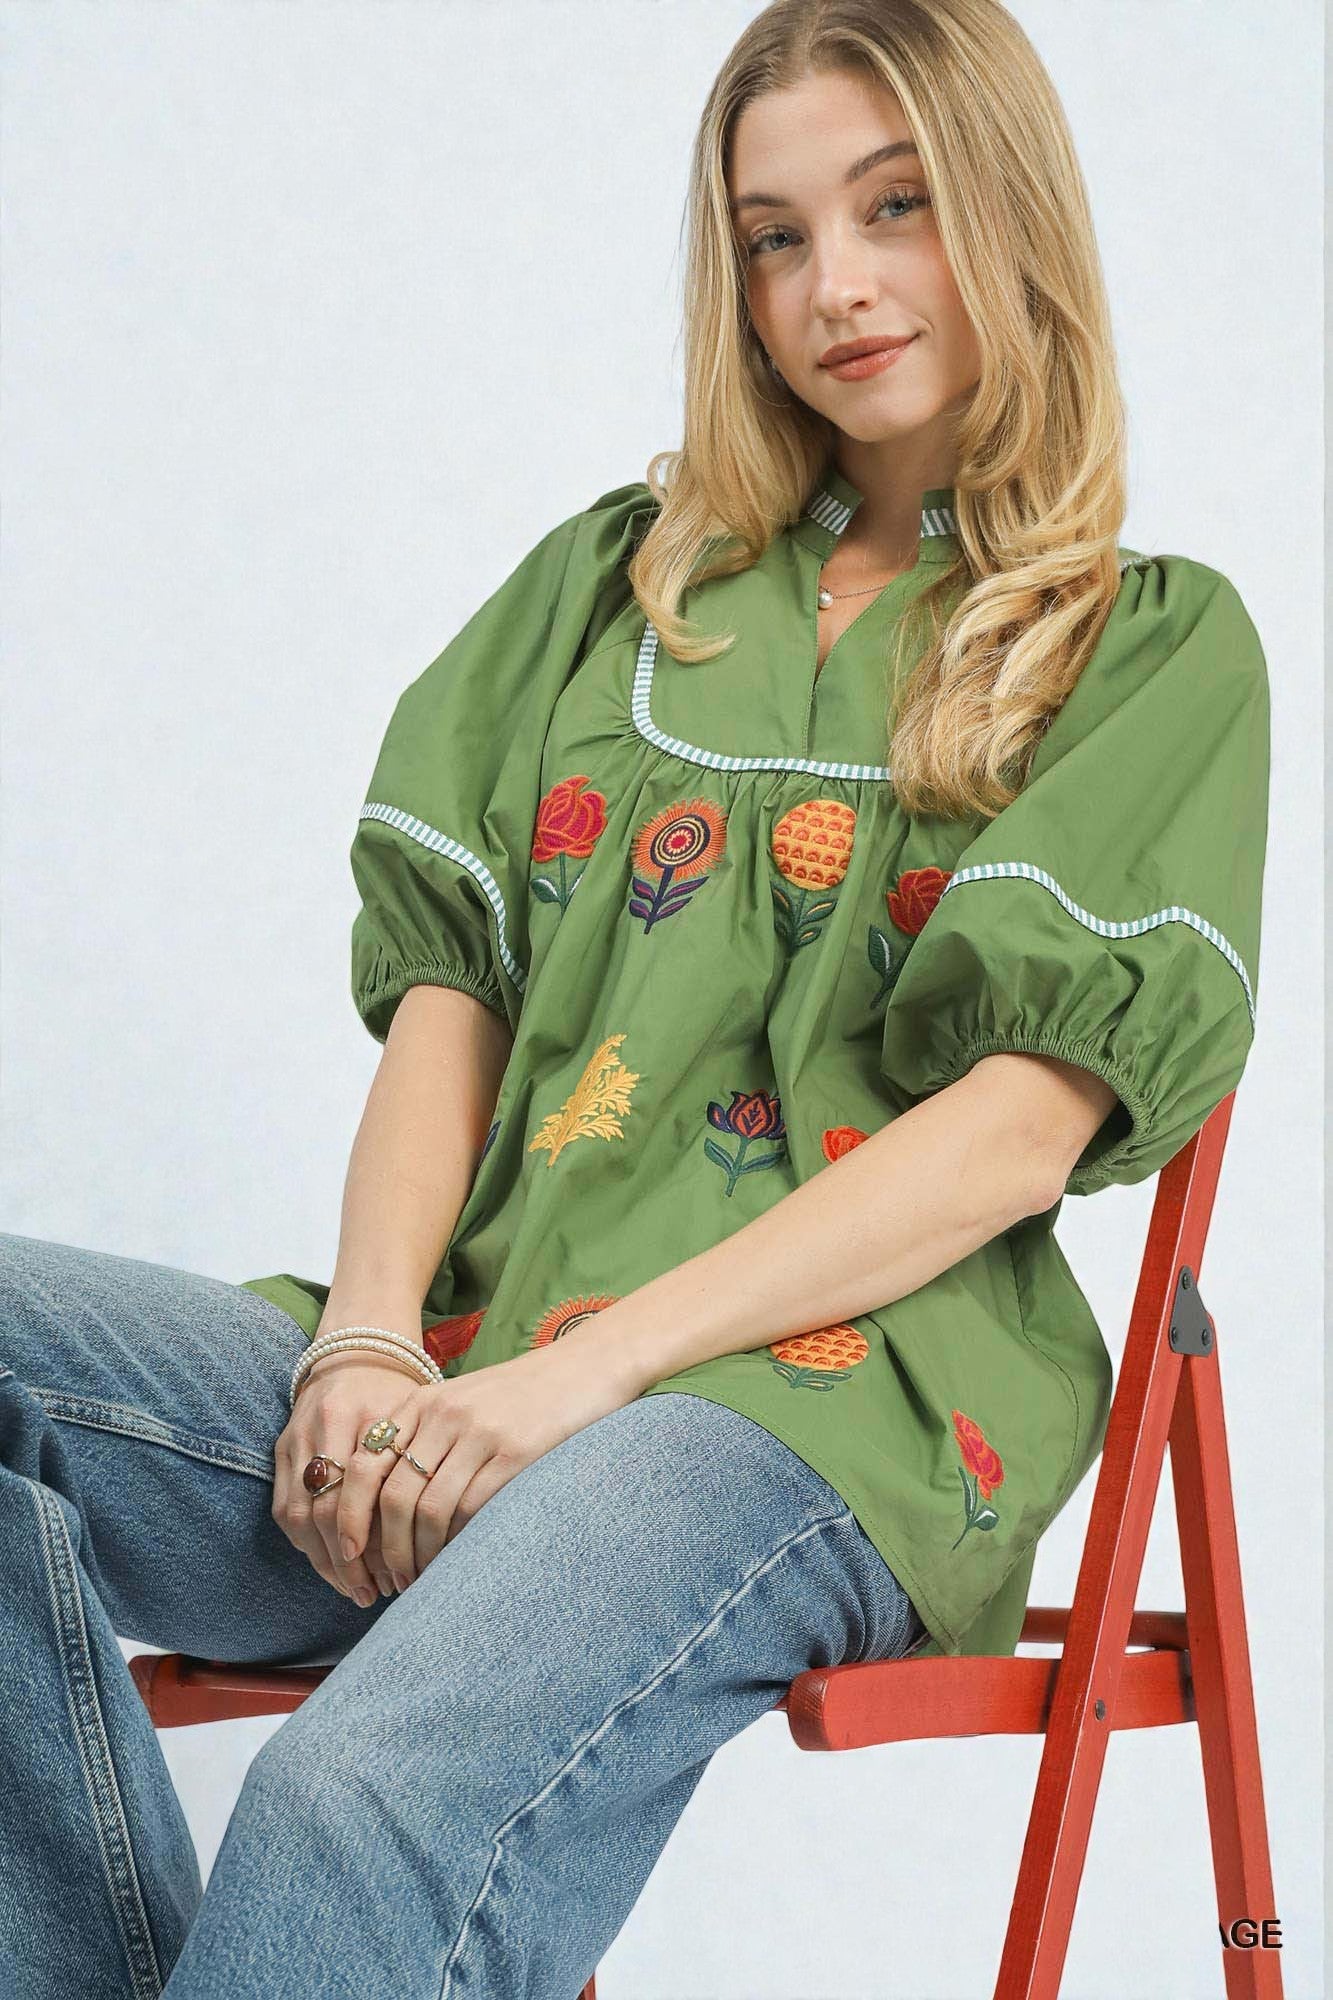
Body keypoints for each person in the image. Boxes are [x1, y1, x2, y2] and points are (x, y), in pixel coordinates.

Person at [0, 2, 1270, 1995]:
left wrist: (578, 1385)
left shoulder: (1147, 646)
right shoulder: (623, 586)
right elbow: (454, 1002)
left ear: (1010, 210)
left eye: (895, 205)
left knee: (353, 1798)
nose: (831, 284)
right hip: (479, 1345)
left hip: (812, 1405)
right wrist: (364, 1347)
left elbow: (1013, 1134)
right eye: (773, 234)